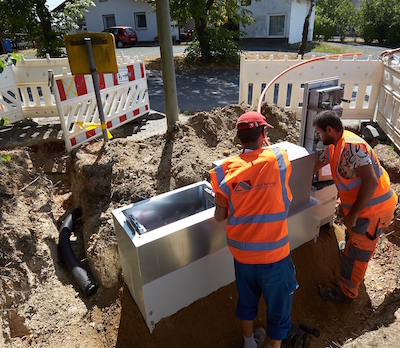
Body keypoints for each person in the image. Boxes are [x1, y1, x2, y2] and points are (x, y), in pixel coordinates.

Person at [209, 111, 299, 348]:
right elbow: (271, 155)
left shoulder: (225, 171)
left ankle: (249, 343)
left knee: (247, 301)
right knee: (279, 307)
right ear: (264, 134)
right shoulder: (279, 158)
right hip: (275, 257)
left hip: (244, 256)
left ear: (238, 138)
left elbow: (219, 217)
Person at [313, 110, 398, 303]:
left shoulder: (353, 148)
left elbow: (371, 183)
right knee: (352, 235)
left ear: (329, 130)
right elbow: (320, 162)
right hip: (364, 208)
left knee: (358, 253)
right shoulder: (336, 145)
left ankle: (346, 292)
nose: (318, 137)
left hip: (373, 211)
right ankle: (350, 245)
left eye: (319, 132)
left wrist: (354, 214)